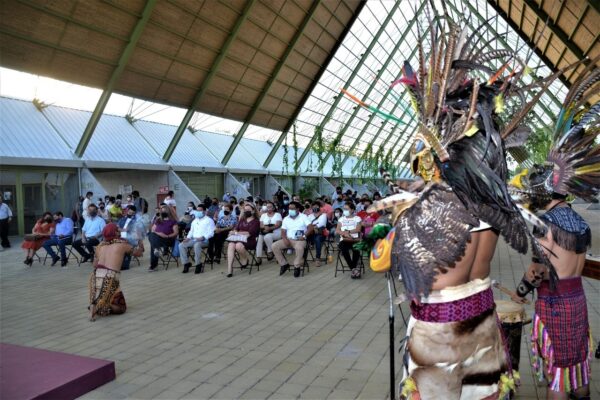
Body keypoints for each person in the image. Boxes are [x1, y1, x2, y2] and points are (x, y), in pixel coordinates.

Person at [88, 223, 142, 321]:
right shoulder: (123, 245)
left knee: (103, 297)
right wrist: (140, 240)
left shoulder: (100, 246)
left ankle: (96, 304)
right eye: (118, 230)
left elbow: (95, 265)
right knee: (121, 308)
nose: (120, 231)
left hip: (95, 276)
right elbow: (139, 253)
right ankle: (99, 307)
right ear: (115, 232)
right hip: (110, 277)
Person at [272, 201, 312, 278]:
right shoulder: (286, 218)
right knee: (274, 246)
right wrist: (284, 239)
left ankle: (297, 266)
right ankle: (284, 264)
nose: (290, 210)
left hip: (300, 240)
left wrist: (304, 236)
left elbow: (310, 228)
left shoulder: (303, 217)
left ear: (297, 209)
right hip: (288, 239)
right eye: (289, 208)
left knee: (299, 248)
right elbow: (283, 231)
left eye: (292, 209)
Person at [225, 203, 260, 278]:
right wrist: (232, 232)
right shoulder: (242, 220)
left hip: (250, 240)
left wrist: (236, 232)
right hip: (238, 239)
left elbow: (249, 233)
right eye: (245, 210)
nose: (246, 211)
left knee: (238, 245)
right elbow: (236, 229)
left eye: (248, 210)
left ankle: (245, 259)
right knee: (231, 244)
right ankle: (229, 268)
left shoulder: (256, 222)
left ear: (253, 211)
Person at [179, 205, 215, 274]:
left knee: (197, 245)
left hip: (204, 240)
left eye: (200, 210)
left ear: (204, 211)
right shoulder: (194, 220)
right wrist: (188, 238)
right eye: (197, 210)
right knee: (181, 245)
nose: (198, 212)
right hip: (193, 239)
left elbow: (212, 232)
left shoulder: (209, 220)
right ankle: (186, 263)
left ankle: (198, 264)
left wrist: (203, 237)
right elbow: (191, 231)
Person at [147, 205, 179, 272]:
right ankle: (156, 249)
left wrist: (166, 236)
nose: (162, 211)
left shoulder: (173, 221)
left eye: (164, 210)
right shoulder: (158, 220)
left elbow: (176, 233)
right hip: (158, 239)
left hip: (168, 240)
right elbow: (153, 230)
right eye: (161, 210)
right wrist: (159, 234)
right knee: (151, 234)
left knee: (153, 244)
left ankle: (153, 266)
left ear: (168, 212)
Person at [336, 202, 362, 278]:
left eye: (347, 209)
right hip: (344, 239)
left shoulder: (357, 218)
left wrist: (348, 232)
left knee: (356, 248)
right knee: (343, 249)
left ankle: (353, 269)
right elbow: (337, 230)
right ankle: (354, 269)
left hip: (354, 239)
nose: (345, 210)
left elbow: (358, 229)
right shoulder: (341, 219)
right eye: (344, 209)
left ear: (352, 210)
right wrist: (344, 233)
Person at [117, 206, 145, 270]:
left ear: (134, 213)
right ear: (127, 211)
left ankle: (125, 265)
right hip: (121, 238)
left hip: (131, 239)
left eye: (132, 213)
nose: (130, 214)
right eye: (129, 212)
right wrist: (123, 230)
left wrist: (141, 244)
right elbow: (117, 228)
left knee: (125, 245)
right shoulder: (122, 219)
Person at [307, 201, 328, 267]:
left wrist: (312, 226)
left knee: (318, 239)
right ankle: (302, 258)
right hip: (310, 233)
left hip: (320, 234)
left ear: (320, 207)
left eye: (316, 206)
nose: (315, 208)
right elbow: (306, 225)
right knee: (303, 239)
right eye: (313, 207)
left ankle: (317, 258)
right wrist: (314, 227)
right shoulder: (310, 216)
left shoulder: (323, 215)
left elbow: (322, 224)